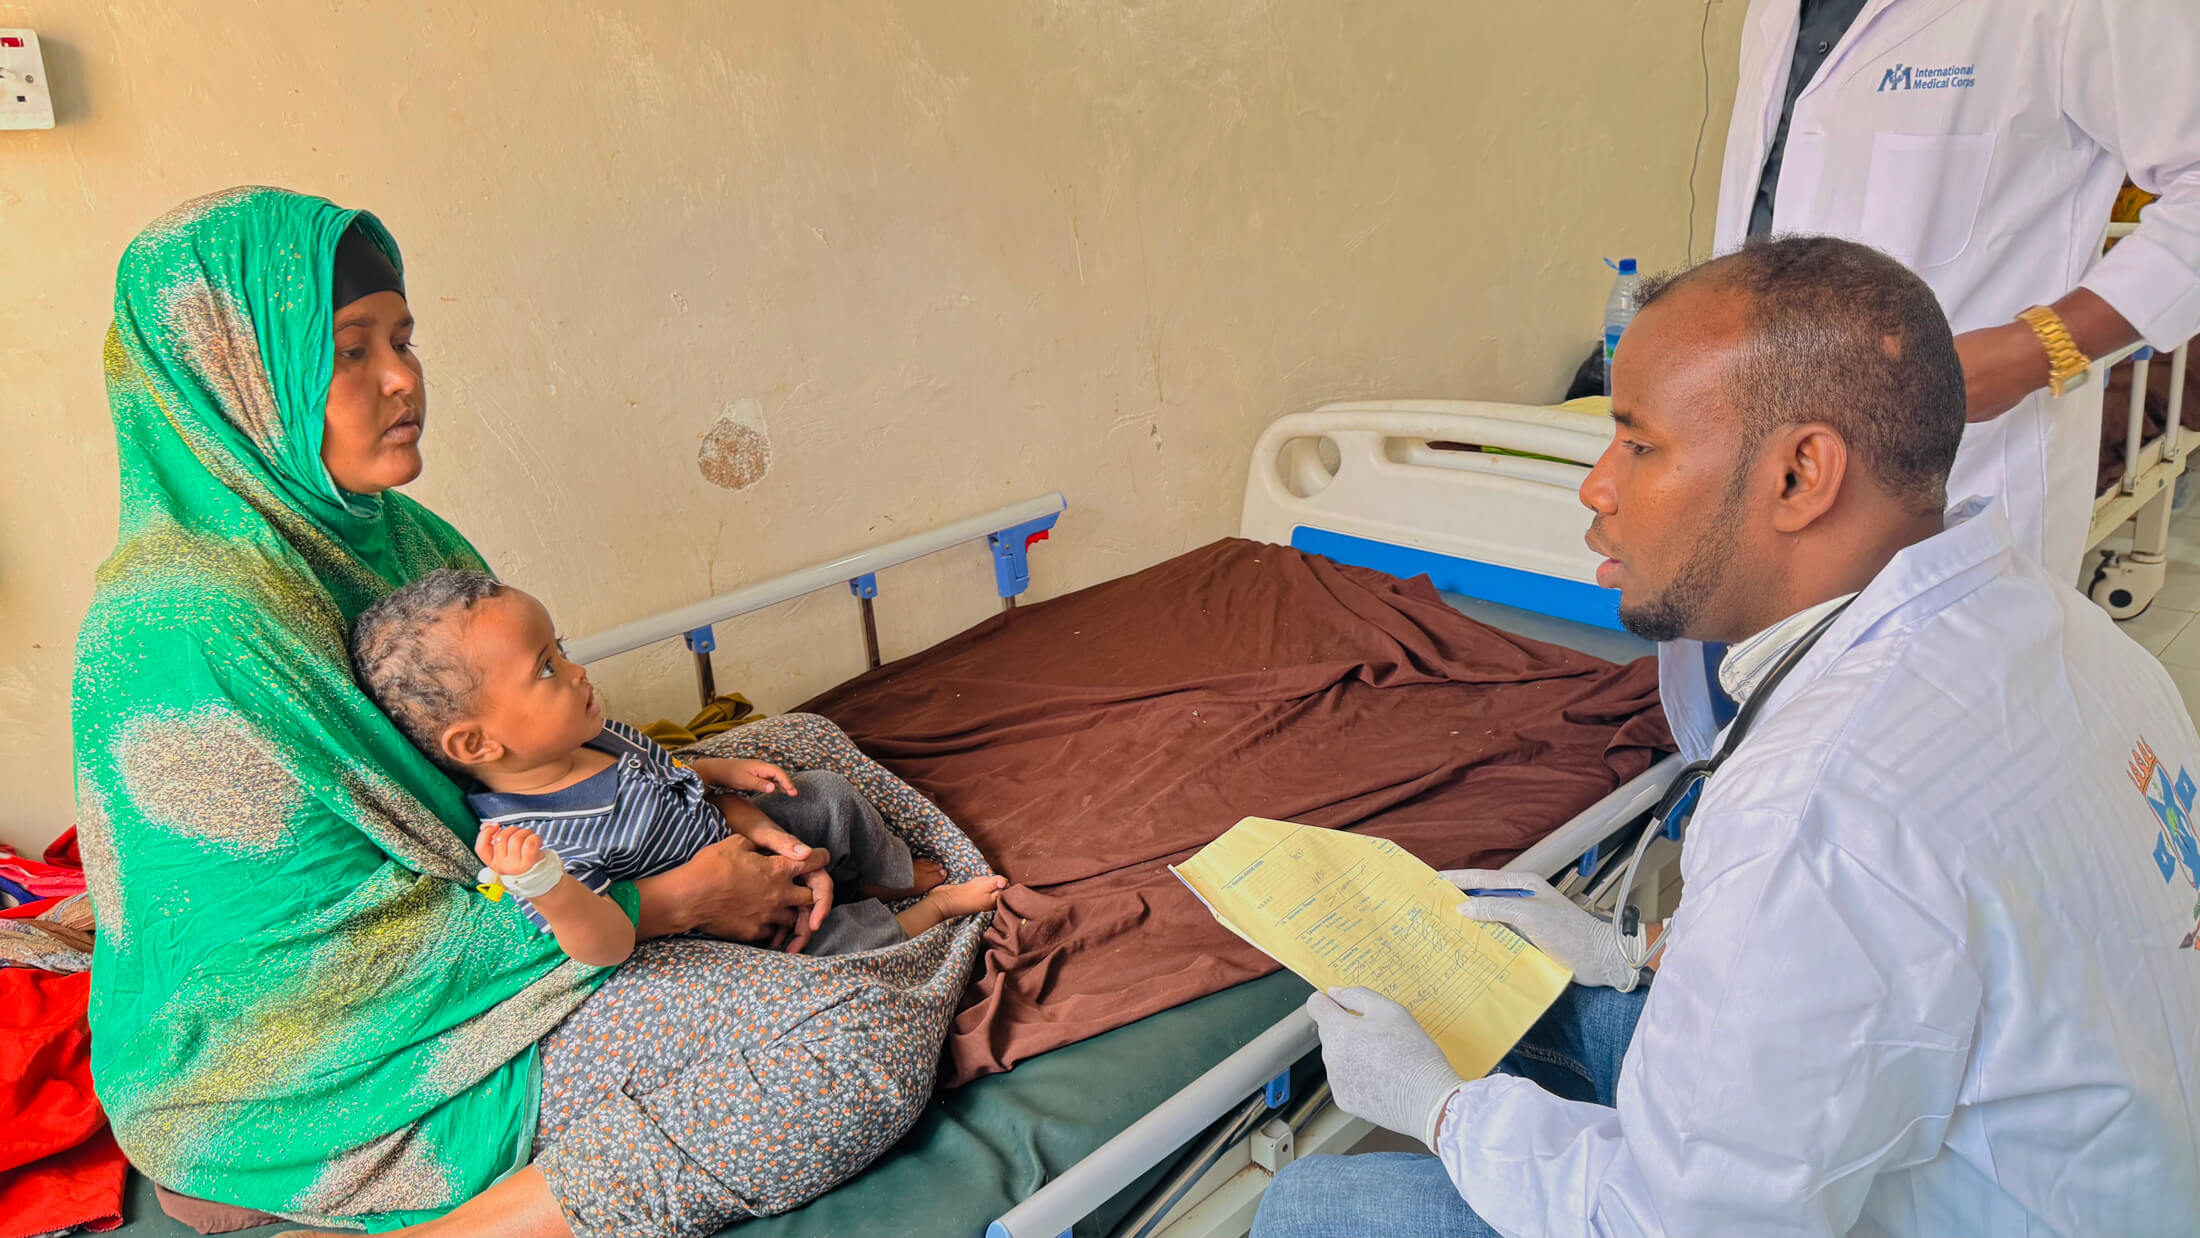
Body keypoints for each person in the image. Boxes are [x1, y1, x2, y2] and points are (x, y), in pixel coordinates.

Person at [72, 187, 985, 1238]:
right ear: (237, 382)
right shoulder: (191, 629)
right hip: (323, 1072)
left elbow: (512, 748)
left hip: (514, 873)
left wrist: (703, 808)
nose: (403, 377)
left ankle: (870, 898)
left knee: (798, 746)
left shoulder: (395, 533)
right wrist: (670, 900)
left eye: (403, 338)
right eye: (348, 351)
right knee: (851, 1038)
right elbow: (310, 975)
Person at [1253, 236, 2200, 1237]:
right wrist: (1634, 952)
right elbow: (1925, 954)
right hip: (2096, 1164)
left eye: (1639, 443)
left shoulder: (1821, 808)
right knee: (1529, 1002)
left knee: (1318, 1208)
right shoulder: (2063, 631)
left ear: (1798, 475)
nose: (1595, 486)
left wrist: (1437, 1110)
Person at [1661, 0, 2200, 760]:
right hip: (1756, 457)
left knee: (1923, 776)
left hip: (1952, 473)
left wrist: (2033, 349)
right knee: (1758, 759)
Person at [351, 568, 1006, 965]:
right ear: (476, 745)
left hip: (731, 839)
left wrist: (729, 784)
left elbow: (677, 785)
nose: (577, 672)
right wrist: (548, 886)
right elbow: (603, 943)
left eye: (564, 650)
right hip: (727, 929)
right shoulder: (539, 845)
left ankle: (884, 874)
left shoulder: (594, 733)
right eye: (546, 668)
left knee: (826, 793)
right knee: (838, 950)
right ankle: (934, 912)